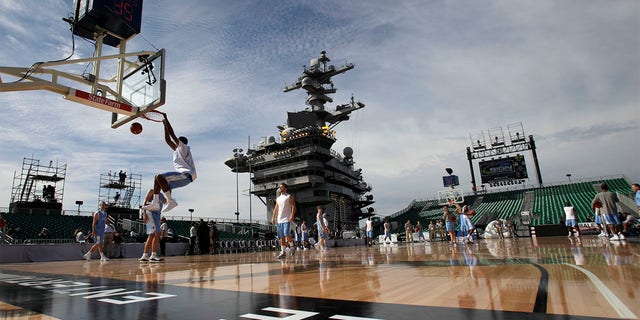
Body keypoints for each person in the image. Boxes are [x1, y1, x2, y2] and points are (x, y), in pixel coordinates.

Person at [142, 113, 197, 213]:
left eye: (177, 142)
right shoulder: (177, 151)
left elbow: (172, 134)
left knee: (160, 177)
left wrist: (166, 120)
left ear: (181, 143)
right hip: (184, 177)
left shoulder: (184, 148)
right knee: (157, 179)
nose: (174, 143)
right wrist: (164, 125)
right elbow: (168, 140)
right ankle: (155, 203)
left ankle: (170, 201)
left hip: (186, 175)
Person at [140, 189, 166, 262]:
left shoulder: (161, 195)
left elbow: (166, 201)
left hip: (157, 215)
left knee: (153, 234)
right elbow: (145, 202)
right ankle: (152, 255)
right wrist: (144, 214)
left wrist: (169, 192)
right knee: (156, 233)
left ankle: (146, 255)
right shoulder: (152, 191)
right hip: (151, 213)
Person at [271, 183, 296, 259]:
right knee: (281, 237)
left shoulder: (289, 196)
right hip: (279, 220)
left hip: (286, 219)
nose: (280, 188)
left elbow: (293, 206)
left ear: (285, 188)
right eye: (279, 187)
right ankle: (283, 252)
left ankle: (292, 246)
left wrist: (292, 215)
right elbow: (276, 208)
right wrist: (273, 217)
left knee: (286, 234)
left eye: (281, 187)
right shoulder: (278, 198)